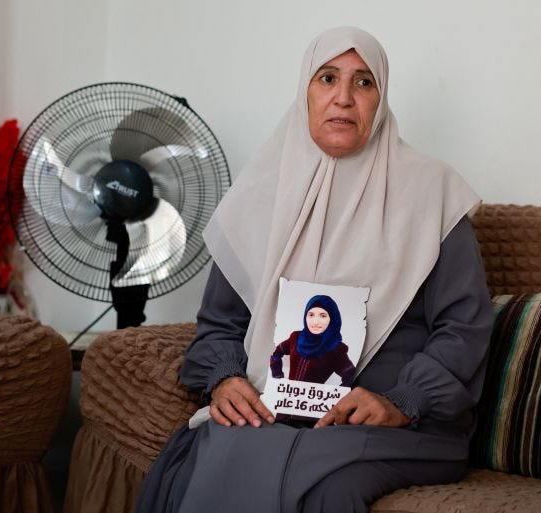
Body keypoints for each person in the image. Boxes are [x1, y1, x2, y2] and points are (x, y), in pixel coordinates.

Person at [136, 26, 494, 513]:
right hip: (277, 408)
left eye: (363, 83)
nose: (344, 98)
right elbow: (220, 324)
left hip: (389, 421)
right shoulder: (259, 196)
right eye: (328, 78)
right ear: (305, 91)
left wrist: (405, 400)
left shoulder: (432, 194)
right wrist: (225, 380)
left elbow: (464, 326)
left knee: (314, 482)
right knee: (218, 448)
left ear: (381, 98)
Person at [270, 294, 355, 386]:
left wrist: (333, 397)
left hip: (313, 399)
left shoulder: (336, 348)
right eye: (311, 315)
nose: (315, 322)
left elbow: (351, 375)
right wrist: (278, 377)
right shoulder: (296, 337)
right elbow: (276, 354)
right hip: (286, 396)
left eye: (323, 316)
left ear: (332, 319)